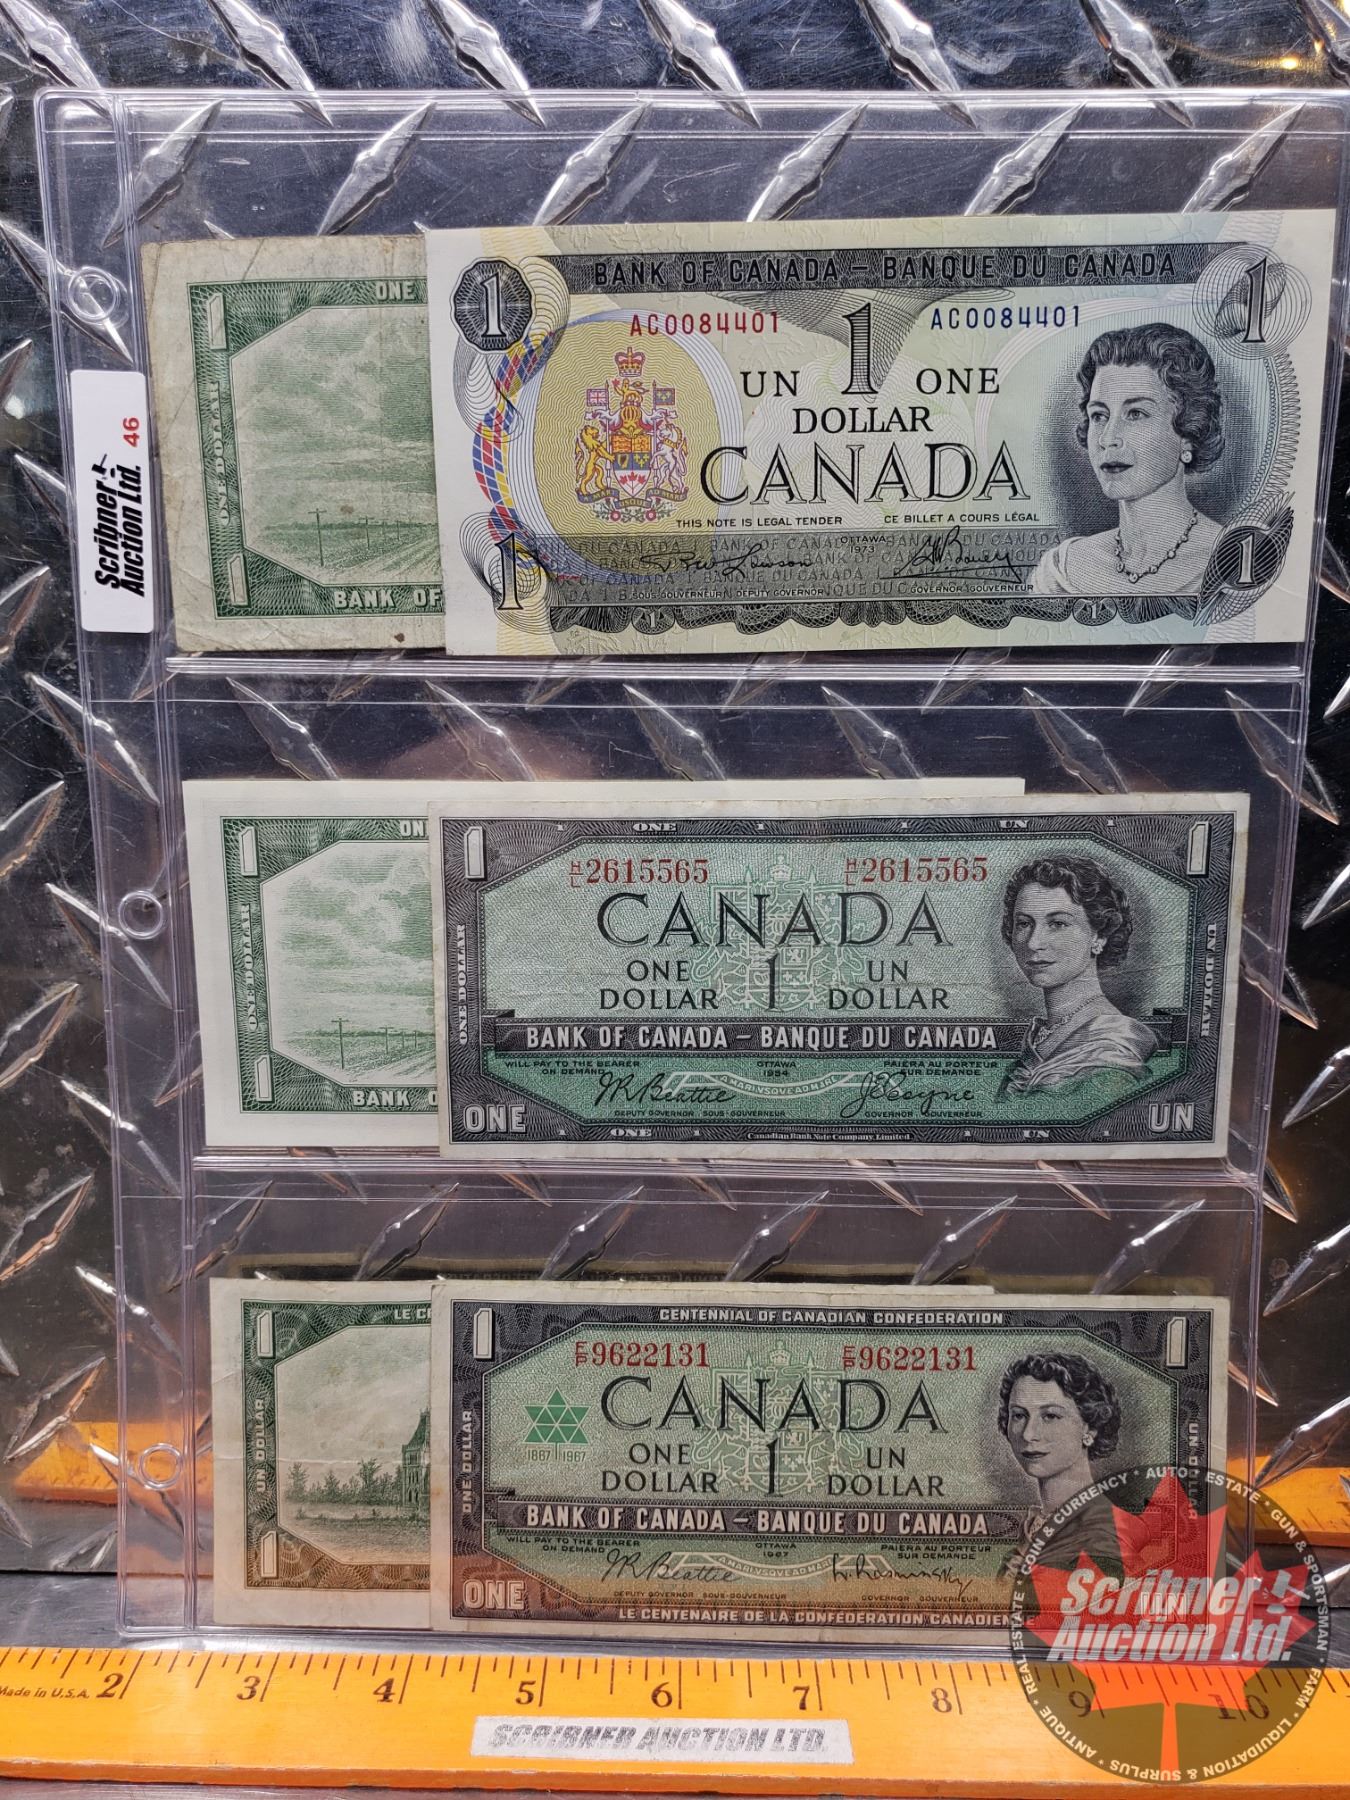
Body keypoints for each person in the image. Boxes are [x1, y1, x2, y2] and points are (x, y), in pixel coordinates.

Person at [1030, 322, 1225, 597]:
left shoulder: (1233, 564)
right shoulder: (1063, 568)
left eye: (1135, 414)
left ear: (1188, 433)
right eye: (1099, 415)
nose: (1108, 438)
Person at [1000, 855, 1156, 1093]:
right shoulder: (1041, 1034)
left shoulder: (1111, 1046)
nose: (1033, 943)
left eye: (1058, 924)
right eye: (1024, 924)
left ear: (1099, 935)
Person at [997, 1351, 1124, 1574]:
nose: (1028, 1434)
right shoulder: (1031, 1532)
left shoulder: (1107, 1536)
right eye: (1019, 1415)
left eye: (1050, 1416)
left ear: (1090, 1428)